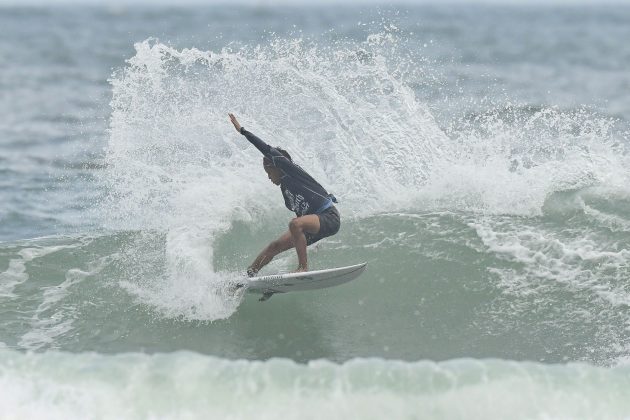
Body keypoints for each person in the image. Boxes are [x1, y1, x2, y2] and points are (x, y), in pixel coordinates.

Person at [228, 113, 340, 276]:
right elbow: (301, 216)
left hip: (329, 217)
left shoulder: (291, 172)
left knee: (295, 224)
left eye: (268, 172)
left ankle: (303, 267)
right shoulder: (287, 193)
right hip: (314, 224)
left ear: (277, 166)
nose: (268, 176)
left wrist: (242, 130)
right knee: (275, 246)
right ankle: (249, 276)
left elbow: (265, 148)